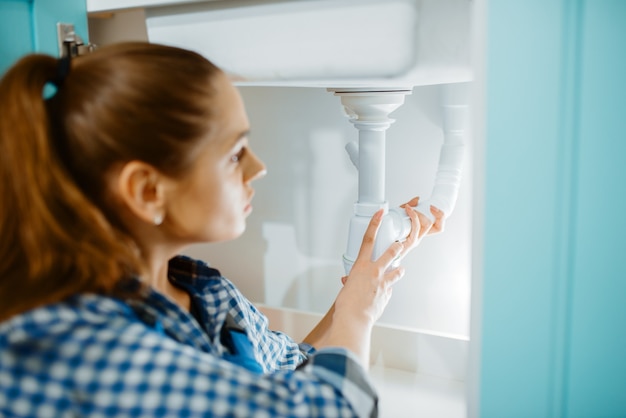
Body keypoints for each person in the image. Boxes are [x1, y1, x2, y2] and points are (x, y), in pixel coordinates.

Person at [0, 42, 439, 417]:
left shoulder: (204, 293)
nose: (259, 168)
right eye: (235, 154)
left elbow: (292, 375)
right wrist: (358, 314)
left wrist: (362, 290)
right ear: (147, 190)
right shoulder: (78, 347)